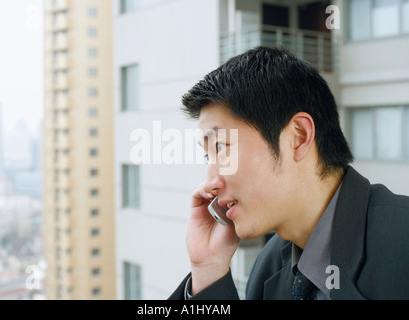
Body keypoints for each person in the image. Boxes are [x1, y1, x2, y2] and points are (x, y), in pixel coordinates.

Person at [169, 46, 409, 300]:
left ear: (298, 137)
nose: (209, 183)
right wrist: (207, 270)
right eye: (209, 156)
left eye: (221, 147)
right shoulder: (269, 267)